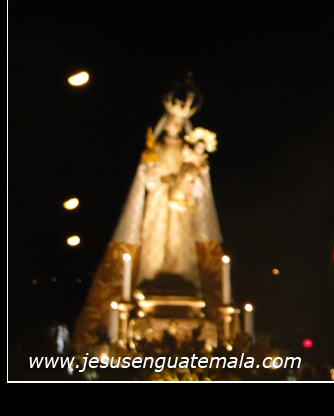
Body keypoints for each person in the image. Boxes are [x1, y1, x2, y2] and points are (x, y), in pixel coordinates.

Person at [73, 76, 226, 353]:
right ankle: (155, 278)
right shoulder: (155, 147)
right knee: (156, 243)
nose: (175, 126)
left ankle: (180, 279)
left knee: (180, 245)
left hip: (181, 206)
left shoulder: (187, 151)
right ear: (165, 123)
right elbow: (146, 174)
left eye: (179, 123)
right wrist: (151, 177)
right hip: (158, 203)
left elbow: (197, 178)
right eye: (172, 121)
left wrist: (193, 180)